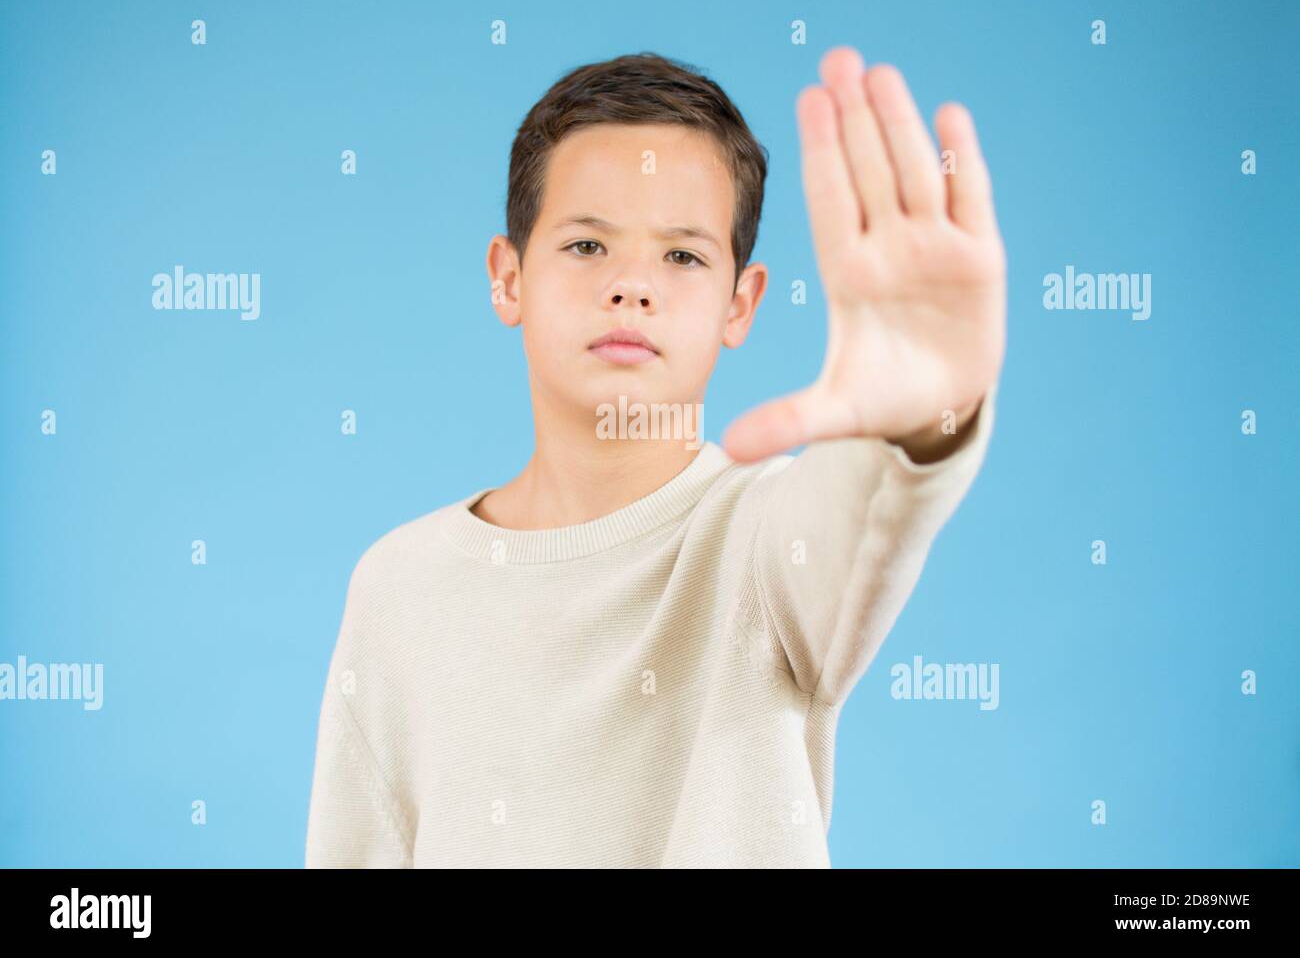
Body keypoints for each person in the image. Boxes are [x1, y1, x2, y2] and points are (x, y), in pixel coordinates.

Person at [305, 45, 1005, 867]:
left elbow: (870, 507)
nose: (633, 285)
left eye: (683, 255)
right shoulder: (400, 585)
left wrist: (922, 412)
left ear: (740, 304)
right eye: (587, 246)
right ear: (508, 277)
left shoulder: (765, 546)